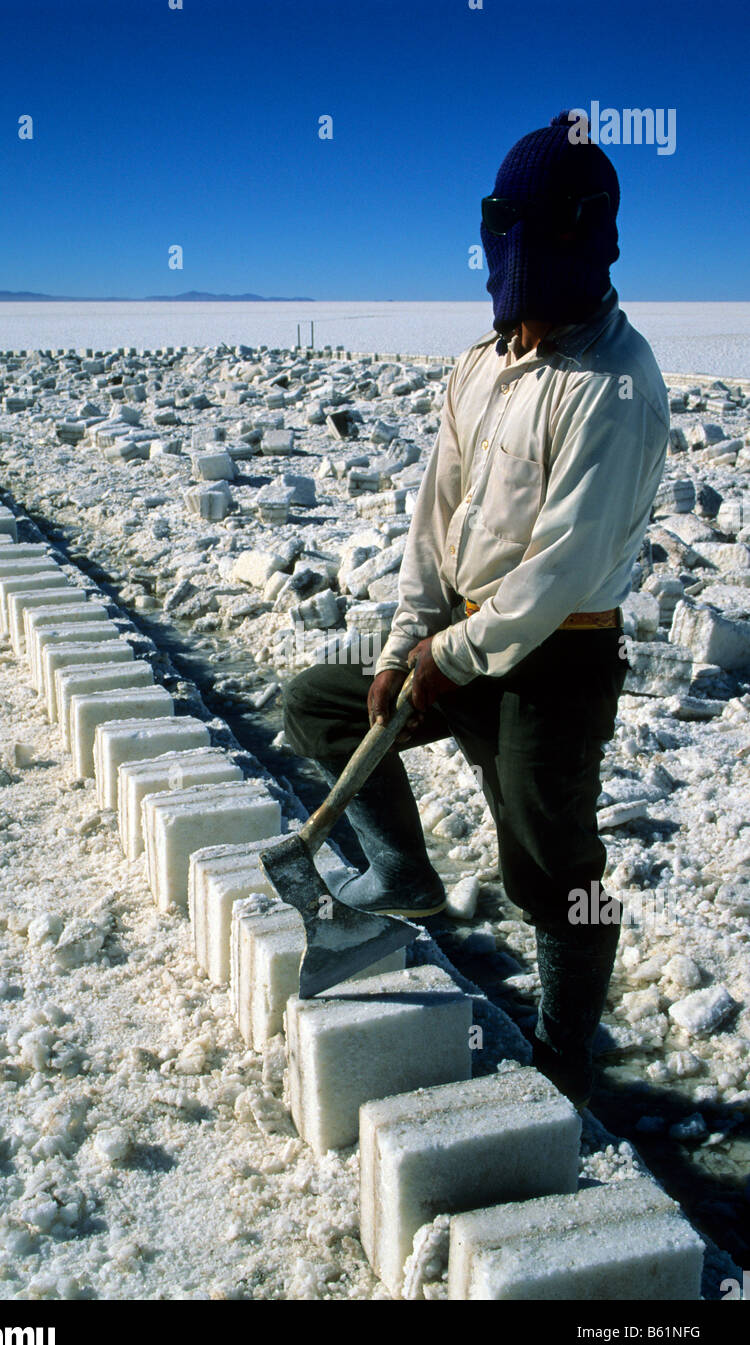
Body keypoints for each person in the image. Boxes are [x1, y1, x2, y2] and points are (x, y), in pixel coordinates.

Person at [282, 110, 670, 1108]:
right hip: (455, 642)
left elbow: (561, 566)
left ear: (584, 240)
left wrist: (453, 654)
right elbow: (436, 516)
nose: (519, 263)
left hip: (557, 664)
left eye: (540, 233)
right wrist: (410, 639)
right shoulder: (481, 366)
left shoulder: (618, 383)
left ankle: (566, 1051)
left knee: (555, 865)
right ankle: (403, 870)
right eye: (508, 230)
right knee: (325, 707)